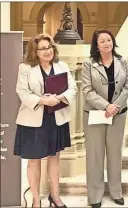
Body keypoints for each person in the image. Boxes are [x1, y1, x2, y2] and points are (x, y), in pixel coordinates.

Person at [14, 33, 77, 208]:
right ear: (35, 51)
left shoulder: (61, 65)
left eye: (49, 47)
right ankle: (36, 200)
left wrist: (58, 98)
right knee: (34, 160)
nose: (47, 51)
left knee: (54, 158)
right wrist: (42, 100)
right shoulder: (25, 68)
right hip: (33, 120)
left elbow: (73, 88)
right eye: (42, 48)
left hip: (56, 118)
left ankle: (55, 197)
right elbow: (22, 92)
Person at [81, 29, 128, 208]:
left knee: (114, 153)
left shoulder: (122, 61)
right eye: (102, 41)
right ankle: (95, 195)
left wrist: (115, 106)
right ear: (96, 45)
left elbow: (127, 85)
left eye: (109, 40)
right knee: (95, 155)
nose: (106, 43)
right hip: (95, 114)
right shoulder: (89, 64)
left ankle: (115, 191)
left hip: (118, 113)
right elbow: (87, 90)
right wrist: (106, 106)